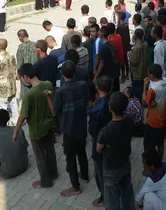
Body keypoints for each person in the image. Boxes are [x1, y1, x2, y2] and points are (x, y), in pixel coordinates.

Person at [14, 63, 57, 188]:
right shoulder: (48, 84)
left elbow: (23, 116)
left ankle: (46, 181)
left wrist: (16, 130)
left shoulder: (29, 94)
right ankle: (54, 173)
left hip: (36, 130)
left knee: (40, 157)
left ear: (26, 77)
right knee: (50, 150)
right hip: (49, 125)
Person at [52, 61, 92, 196]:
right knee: (82, 152)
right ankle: (85, 174)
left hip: (69, 129)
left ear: (62, 74)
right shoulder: (83, 85)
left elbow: (54, 111)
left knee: (70, 158)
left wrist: (48, 97)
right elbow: (89, 103)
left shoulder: (60, 91)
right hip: (81, 126)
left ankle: (75, 186)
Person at [96, 92, 135, 210]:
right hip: (125, 162)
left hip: (111, 168)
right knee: (127, 190)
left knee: (111, 198)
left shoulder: (106, 130)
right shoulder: (129, 119)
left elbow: (98, 149)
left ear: (110, 108)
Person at [88, 76, 112, 207]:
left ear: (97, 88)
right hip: (113, 142)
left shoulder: (96, 108)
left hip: (100, 143)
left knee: (100, 174)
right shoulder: (113, 101)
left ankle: (104, 197)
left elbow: (92, 130)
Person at [0, 109, 29, 178]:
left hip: (7, 173)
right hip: (24, 166)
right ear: (8, 119)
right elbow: (25, 147)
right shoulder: (18, 130)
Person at [143, 64, 166, 159]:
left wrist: (144, 87)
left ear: (151, 76)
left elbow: (144, 104)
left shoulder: (153, 90)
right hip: (164, 118)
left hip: (153, 122)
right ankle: (160, 160)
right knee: (160, 143)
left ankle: (151, 164)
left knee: (149, 145)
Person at [0, 39, 19, 125]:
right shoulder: (12, 55)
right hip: (12, 85)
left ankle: (4, 124)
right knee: (13, 103)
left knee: (1, 107)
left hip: (2, 87)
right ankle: (16, 121)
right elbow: (15, 68)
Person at [94, 26, 121, 92]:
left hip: (108, 74)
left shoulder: (103, 48)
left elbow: (101, 63)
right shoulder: (111, 44)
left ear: (102, 34)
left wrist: (96, 76)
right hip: (114, 72)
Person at [16, 30, 39, 98]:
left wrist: (18, 74)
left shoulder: (20, 47)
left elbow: (19, 62)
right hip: (35, 72)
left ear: (20, 37)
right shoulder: (35, 45)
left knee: (26, 94)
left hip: (25, 74)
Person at [129, 29, 148, 103]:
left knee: (137, 91)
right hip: (144, 71)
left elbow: (134, 62)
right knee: (142, 89)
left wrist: (130, 56)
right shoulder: (145, 44)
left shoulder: (136, 48)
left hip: (137, 73)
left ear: (135, 36)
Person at [116, 12, 131, 81]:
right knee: (126, 60)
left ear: (119, 18)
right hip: (126, 45)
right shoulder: (126, 25)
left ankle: (123, 75)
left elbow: (117, 37)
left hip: (121, 46)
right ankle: (127, 73)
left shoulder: (119, 27)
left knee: (122, 61)